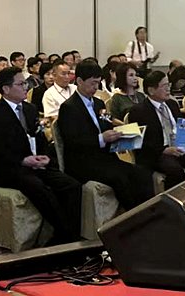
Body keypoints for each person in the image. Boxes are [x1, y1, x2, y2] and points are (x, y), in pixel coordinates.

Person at [0, 67, 82, 244]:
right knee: (39, 188)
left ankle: (66, 236)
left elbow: (39, 138)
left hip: (36, 164)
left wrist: (44, 156)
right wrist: (22, 160)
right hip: (11, 168)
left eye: (25, 83)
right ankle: (65, 234)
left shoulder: (30, 109)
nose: (26, 87)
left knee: (71, 185)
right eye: (21, 84)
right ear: (6, 89)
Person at [57, 60, 154, 210]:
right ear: (79, 81)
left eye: (98, 83)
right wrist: (101, 138)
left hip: (104, 157)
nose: (96, 87)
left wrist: (120, 138)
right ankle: (132, 214)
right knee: (119, 178)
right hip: (83, 162)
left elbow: (107, 127)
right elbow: (73, 142)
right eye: (93, 83)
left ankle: (149, 211)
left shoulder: (99, 103)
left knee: (141, 172)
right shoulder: (69, 107)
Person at [129, 71, 185, 190]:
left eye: (169, 85)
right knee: (176, 172)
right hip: (158, 153)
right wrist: (164, 150)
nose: (168, 89)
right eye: (164, 86)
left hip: (179, 148)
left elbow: (182, 127)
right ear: (151, 90)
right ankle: (170, 201)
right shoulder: (138, 111)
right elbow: (141, 143)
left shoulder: (172, 104)